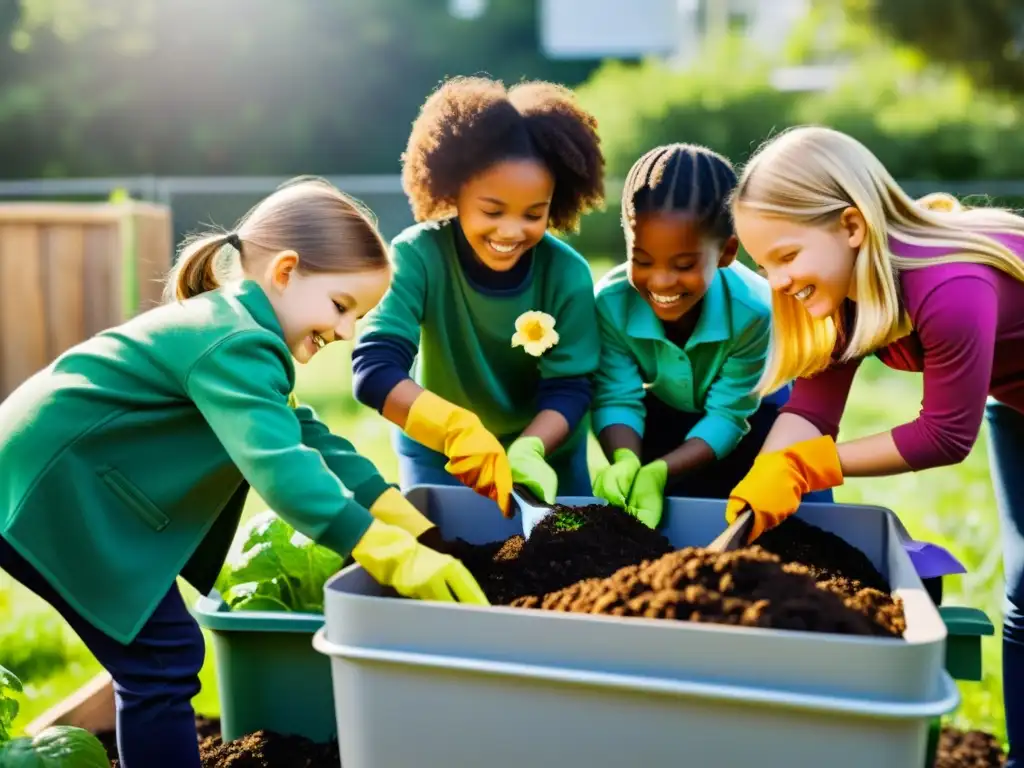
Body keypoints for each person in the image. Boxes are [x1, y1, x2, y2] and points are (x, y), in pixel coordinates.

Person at [0, 177, 487, 768]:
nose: (345, 332)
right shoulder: (235, 341)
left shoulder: (237, 329)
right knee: (160, 658)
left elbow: (308, 437)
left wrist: (405, 520)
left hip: (60, 478)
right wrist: (385, 550)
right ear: (284, 272)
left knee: (160, 654)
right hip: (50, 485)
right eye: (341, 306)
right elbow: (281, 469)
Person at [726, 125, 1024, 763]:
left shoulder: (950, 287)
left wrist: (812, 467)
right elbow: (811, 408)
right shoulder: (849, 296)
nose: (775, 281)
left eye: (785, 256)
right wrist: (765, 480)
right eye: (762, 264)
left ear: (852, 227)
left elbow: (945, 435)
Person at [351, 75, 606, 514]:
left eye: (534, 214)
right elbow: (374, 370)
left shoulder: (566, 274)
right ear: (453, 191)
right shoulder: (417, 257)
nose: (511, 231)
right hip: (440, 456)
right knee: (457, 552)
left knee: (568, 557)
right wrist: (454, 432)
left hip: (546, 458)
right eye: (492, 210)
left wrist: (528, 451)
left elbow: (571, 388)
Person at [590, 143, 832, 528]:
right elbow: (617, 394)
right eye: (642, 260)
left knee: (793, 522)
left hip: (757, 419)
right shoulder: (610, 301)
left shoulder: (755, 312)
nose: (662, 280)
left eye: (684, 264)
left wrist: (661, 471)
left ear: (726, 252)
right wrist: (629, 462)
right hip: (665, 412)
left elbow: (728, 414)